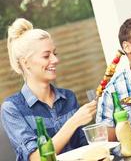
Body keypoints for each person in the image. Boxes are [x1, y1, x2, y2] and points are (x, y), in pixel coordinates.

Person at [1, 18, 97, 161]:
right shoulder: (12, 108)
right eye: (46, 56)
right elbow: (37, 158)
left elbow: (85, 147)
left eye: (55, 54)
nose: (55, 60)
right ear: (26, 63)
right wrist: (74, 122)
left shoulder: (68, 97)